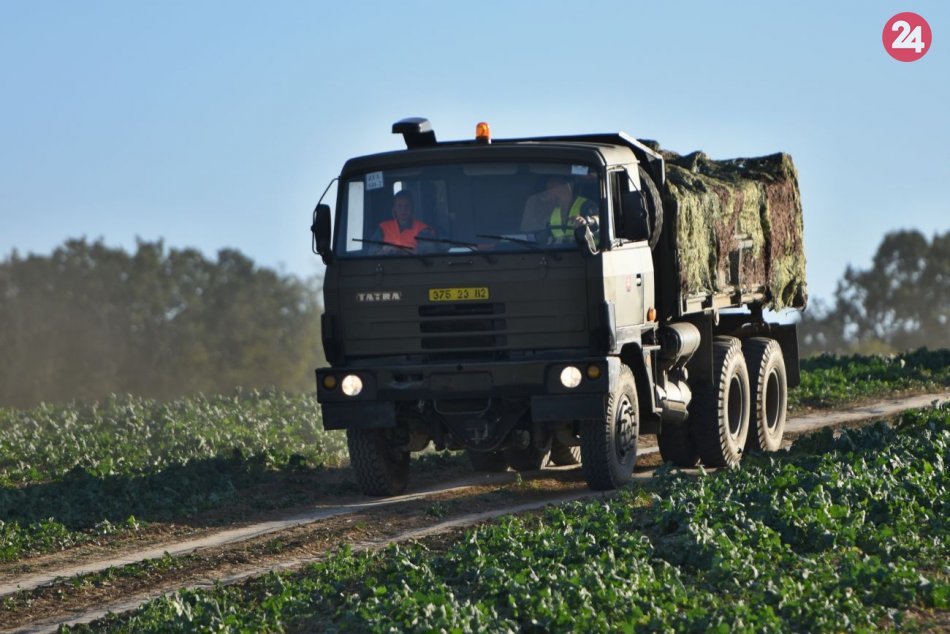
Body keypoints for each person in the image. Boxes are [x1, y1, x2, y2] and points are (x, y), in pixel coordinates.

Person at [521, 175, 599, 243]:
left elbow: (599, 219)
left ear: (565, 186)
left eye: (552, 187)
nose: (549, 193)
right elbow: (542, 235)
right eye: (548, 189)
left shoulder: (586, 205)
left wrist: (588, 221)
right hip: (559, 252)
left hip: (586, 252)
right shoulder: (554, 211)